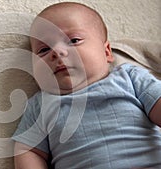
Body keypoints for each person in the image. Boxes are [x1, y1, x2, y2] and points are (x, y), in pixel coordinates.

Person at [12, 2, 161, 169]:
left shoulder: (130, 77)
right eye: (43, 50)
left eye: (73, 40)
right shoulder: (39, 106)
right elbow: (28, 151)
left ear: (106, 52)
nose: (57, 52)